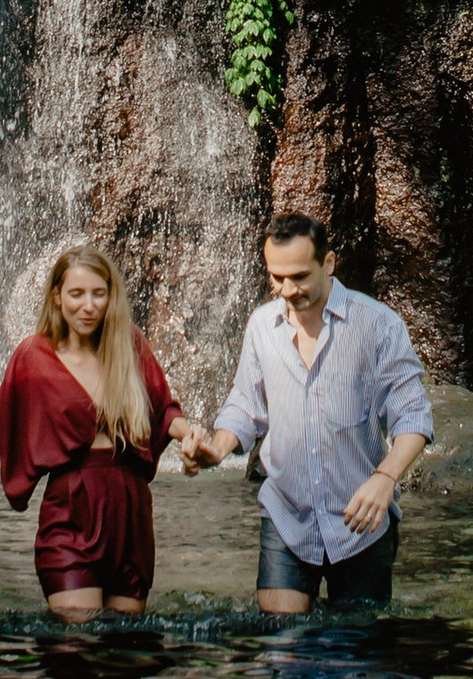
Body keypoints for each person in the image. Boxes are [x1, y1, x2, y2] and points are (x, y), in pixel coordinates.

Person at [0, 242, 204, 618]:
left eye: (98, 294)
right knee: (77, 642)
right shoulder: (34, 356)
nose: (88, 306)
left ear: (111, 296)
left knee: (126, 649)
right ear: (57, 297)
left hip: (130, 511)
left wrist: (189, 436)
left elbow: (165, 410)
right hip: (71, 508)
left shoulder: (129, 344)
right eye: (76, 294)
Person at [184, 210, 433, 614]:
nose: (287, 289)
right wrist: (216, 448)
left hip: (360, 521)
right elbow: (246, 405)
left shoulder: (377, 325)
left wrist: (386, 477)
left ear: (329, 263)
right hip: (288, 516)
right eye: (276, 277)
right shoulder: (262, 326)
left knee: (356, 656)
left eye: (299, 276)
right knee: (280, 642)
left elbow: (413, 416)